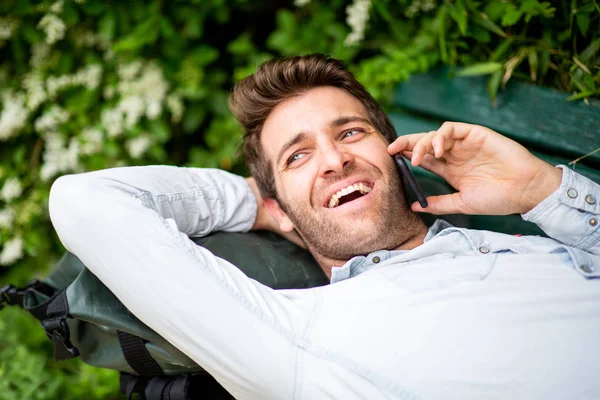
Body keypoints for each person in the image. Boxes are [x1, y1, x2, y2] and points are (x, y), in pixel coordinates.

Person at [49, 54, 600, 400]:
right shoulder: (289, 339)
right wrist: (258, 202)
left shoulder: (537, 244)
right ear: (278, 206)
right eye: (298, 157)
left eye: (352, 133)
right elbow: (86, 201)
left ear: (396, 155)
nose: (334, 160)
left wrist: (542, 191)